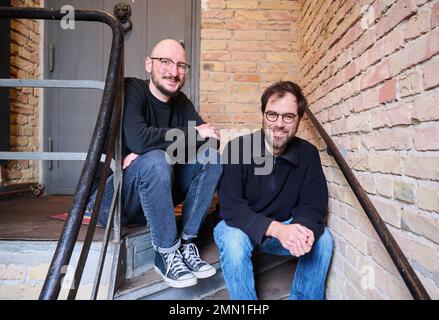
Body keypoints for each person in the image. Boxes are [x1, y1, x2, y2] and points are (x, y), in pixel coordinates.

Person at [88, 39, 222, 288]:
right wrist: (163, 148)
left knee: (210, 159)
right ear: (149, 64)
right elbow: (139, 139)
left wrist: (154, 149)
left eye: (181, 65)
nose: (174, 71)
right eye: (166, 62)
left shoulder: (181, 102)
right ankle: (166, 253)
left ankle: (187, 242)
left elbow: (211, 143)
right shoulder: (131, 90)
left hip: (156, 193)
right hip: (113, 201)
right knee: (156, 161)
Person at [214, 81, 334, 300]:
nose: (279, 123)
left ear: (299, 119)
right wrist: (276, 229)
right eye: (272, 115)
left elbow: (313, 205)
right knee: (231, 239)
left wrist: (301, 231)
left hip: (284, 230)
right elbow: (231, 208)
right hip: (242, 229)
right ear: (263, 115)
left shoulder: (308, 154)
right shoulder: (238, 148)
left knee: (323, 239)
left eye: (288, 116)